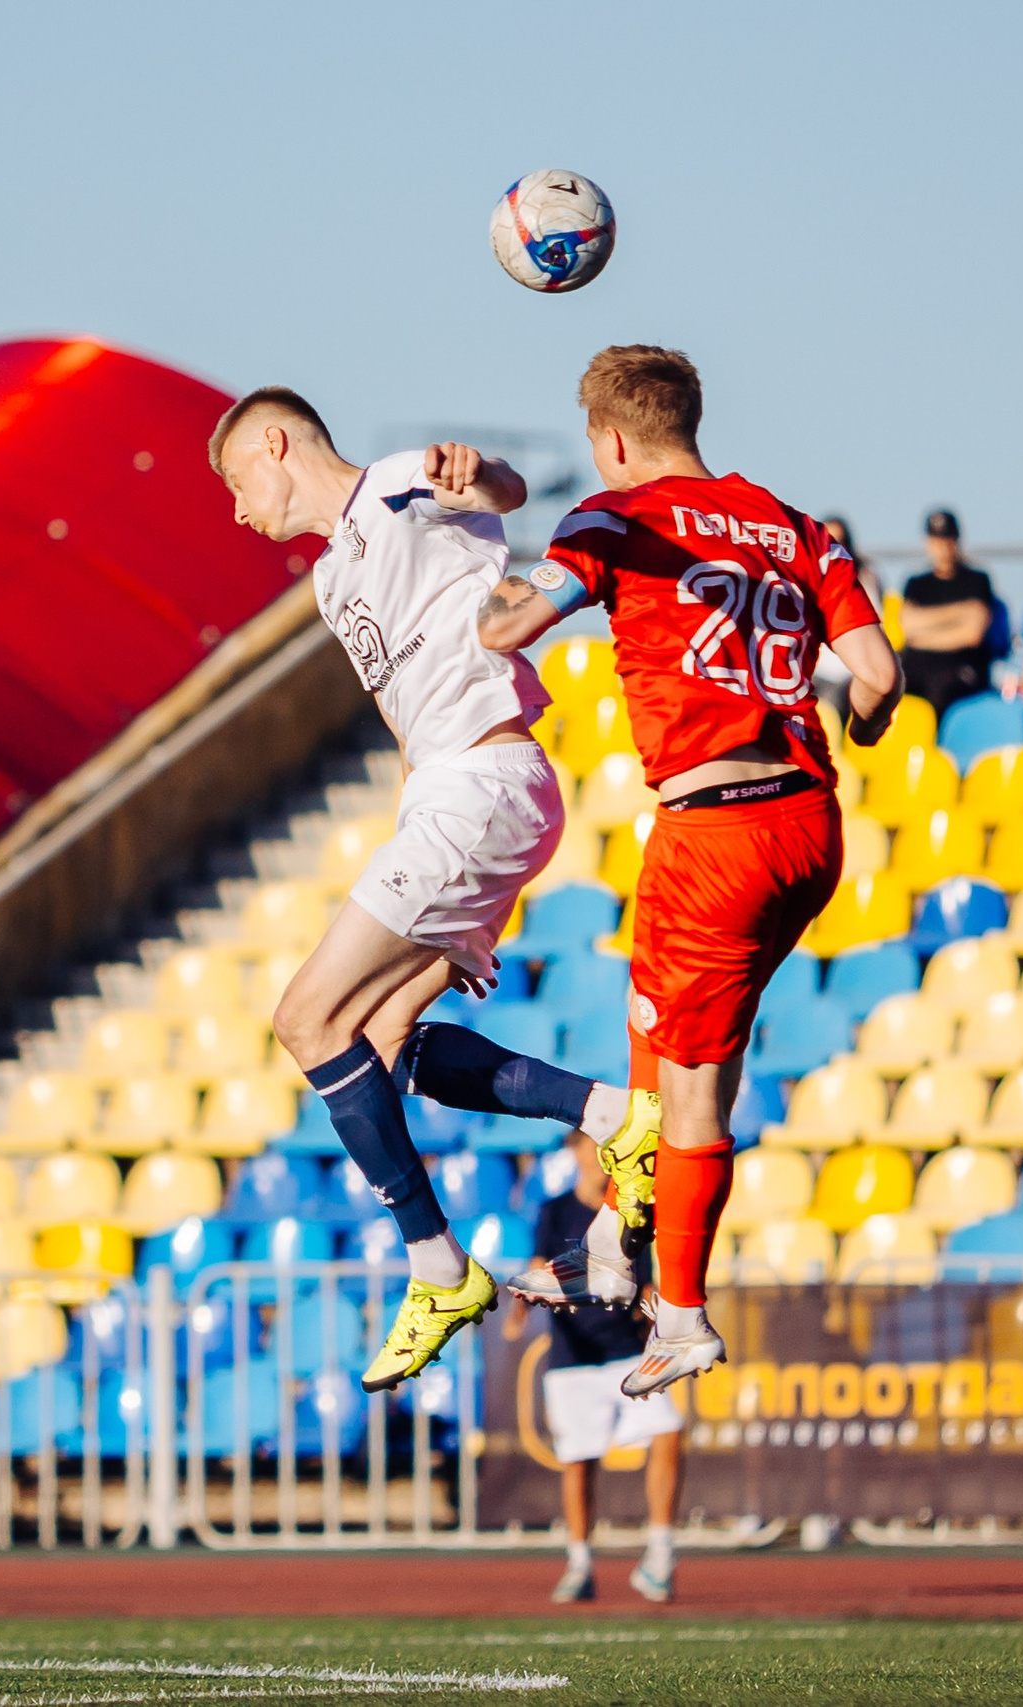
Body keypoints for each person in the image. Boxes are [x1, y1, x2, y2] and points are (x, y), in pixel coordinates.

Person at [481, 345, 902, 1396]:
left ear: (611, 441)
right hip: (808, 824)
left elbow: (508, 628)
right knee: (657, 1028)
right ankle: (617, 1241)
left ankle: (681, 1313)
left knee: (693, 1090)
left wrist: (462, 546)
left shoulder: (614, 520)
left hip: (712, 833)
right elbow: (878, 675)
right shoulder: (795, 526)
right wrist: (862, 716)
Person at [211, 389, 638, 1393]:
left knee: (305, 1020)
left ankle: (436, 1264)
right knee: (383, 1050)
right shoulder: (329, 581)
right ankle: (616, 1116)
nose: (237, 510)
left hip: (483, 783)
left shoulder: (403, 484)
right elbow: (410, 724)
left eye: (236, 482)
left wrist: (473, 472)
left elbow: (504, 489)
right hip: (448, 800)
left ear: (275, 443)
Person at [509, 1128, 683, 1604]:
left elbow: (646, 1283)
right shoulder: (556, 1209)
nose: (596, 1158)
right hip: (574, 1356)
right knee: (579, 1461)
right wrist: (524, 1306)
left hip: (627, 1350)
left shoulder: (632, 1211)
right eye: (587, 1147)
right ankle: (580, 1562)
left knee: (668, 1432)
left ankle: (661, 1552)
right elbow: (540, 1267)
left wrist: (657, 1320)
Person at [897, 508, 1001, 715]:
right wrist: (959, 613)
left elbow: (972, 634)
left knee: (940, 690)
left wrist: (925, 633)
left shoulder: (977, 580)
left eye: (947, 539)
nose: (942, 547)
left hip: (962, 667)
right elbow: (908, 626)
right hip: (918, 665)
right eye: (936, 540)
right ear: (927, 542)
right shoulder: (917, 583)